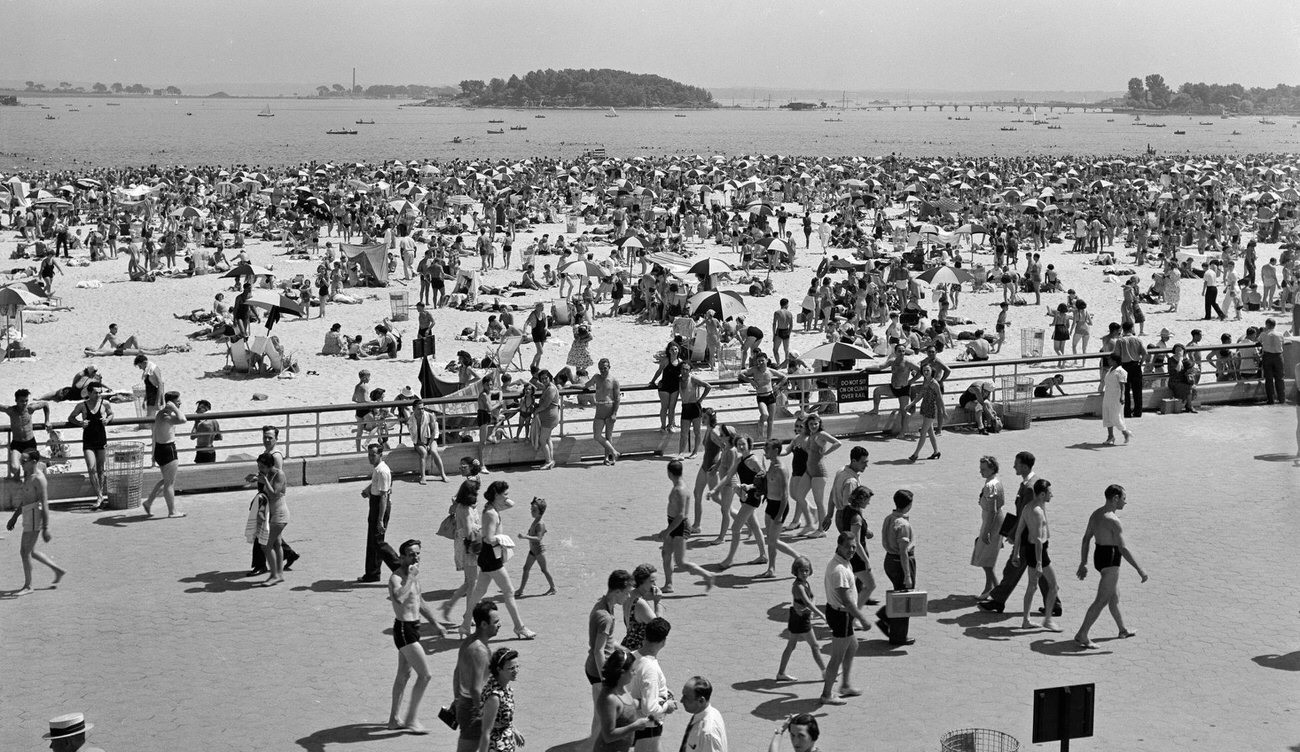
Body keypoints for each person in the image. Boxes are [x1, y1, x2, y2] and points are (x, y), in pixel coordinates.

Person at [978, 451, 1062, 617]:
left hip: (1029, 537)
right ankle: (1053, 605)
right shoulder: (1030, 482)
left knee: (1013, 568)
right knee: (1041, 570)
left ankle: (998, 600)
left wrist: (1013, 534)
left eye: (1016, 464)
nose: (1014, 466)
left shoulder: (1030, 487)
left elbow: (1026, 515)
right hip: (1033, 536)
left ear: (1024, 466)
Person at [1074, 485, 1149, 648]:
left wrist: (1083, 562)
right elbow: (1123, 548)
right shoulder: (1114, 520)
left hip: (1099, 557)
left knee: (1113, 597)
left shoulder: (1096, 514)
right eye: (1124, 498)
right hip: (1111, 560)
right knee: (1101, 600)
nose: (1125, 502)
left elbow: (1086, 539)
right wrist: (1140, 569)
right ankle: (1082, 634)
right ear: (1115, 498)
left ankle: (1122, 629)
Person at [462, 480, 537, 639]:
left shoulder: (493, 507)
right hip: (491, 557)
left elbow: (511, 504)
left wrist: (503, 497)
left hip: (488, 557)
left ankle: (465, 624)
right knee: (508, 591)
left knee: (478, 593)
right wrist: (503, 539)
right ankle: (519, 627)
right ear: (496, 495)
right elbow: (488, 538)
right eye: (505, 494)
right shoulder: (490, 513)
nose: (507, 497)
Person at [388, 538, 445, 734]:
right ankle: (411, 719)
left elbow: (419, 602)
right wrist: (411, 577)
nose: (416, 557)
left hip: (413, 628)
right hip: (404, 630)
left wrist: (435, 623)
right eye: (412, 554)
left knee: (404, 675)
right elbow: (400, 597)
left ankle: (394, 719)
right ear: (401, 557)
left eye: (418, 553)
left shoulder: (413, 575)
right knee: (426, 675)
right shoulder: (396, 577)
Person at [817, 531, 873, 705]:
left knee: (853, 645)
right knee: (837, 657)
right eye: (848, 547)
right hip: (841, 615)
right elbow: (846, 600)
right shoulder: (839, 570)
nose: (852, 550)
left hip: (840, 613)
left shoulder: (842, 562)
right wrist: (862, 619)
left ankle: (845, 685)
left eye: (854, 547)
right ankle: (826, 694)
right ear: (839, 546)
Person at [5, 449, 66, 595]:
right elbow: (25, 499)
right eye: (21, 461)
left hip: (34, 515)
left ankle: (28, 586)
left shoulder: (39, 479)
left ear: (33, 462)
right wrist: (14, 517)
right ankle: (57, 570)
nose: (21, 463)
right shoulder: (28, 475)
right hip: (27, 513)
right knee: (30, 551)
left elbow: (45, 503)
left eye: (23, 461)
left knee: (24, 552)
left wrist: (46, 527)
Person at [587, 570, 636, 732]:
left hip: (598, 667)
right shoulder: (606, 617)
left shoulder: (604, 604)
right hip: (599, 671)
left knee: (602, 715)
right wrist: (606, 681)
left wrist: (624, 650)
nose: (628, 597)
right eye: (627, 593)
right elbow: (598, 651)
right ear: (617, 591)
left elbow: (607, 641)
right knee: (602, 717)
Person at [1011, 479, 1062, 632]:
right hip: (1038, 552)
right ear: (1041, 494)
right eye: (1049, 493)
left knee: (1032, 587)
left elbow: (1019, 532)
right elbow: (1039, 539)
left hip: (1031, 551)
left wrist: (1016, 554)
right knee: (1053, 586)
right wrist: (1040, 563)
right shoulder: (1037, 512)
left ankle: (1026, 620)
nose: (1052, 495)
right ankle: (1048, 620)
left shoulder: (1029, 507)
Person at [449, 600, 499, 752]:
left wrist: (457, 699)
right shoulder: (479, 651)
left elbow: (457, 674)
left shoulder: (469, 642)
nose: (499, 624)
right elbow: (475, 690)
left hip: (467, 705)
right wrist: (486, 715)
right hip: (473, 708)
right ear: (484, 624)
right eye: (495, 622)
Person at [594, 648, 665, 752]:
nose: (635, 673)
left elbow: (628, 706)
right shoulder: (609, 699)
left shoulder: (621, 688)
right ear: (622, 673)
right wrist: (635, 726)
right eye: (632, 670)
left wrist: (655, 699)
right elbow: (608, 736)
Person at [660, 460, 715, 592]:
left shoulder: (680, 490)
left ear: (669, 473)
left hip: (679, 526)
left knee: (681, 562)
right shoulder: (678, 486)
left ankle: (707, 575)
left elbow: (680, 515)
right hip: (674, 524)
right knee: (666, 553)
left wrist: (667, 531)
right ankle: (669, 584)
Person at [873, 489, 918, 647]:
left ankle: (886, 616)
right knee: (904, 598)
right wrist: (907, 575)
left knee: (899, 594)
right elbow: (904, 552)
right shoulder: (903, 524)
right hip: (900, 562)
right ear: (909, 505)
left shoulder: (889, 518)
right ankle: (898, 635)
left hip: (889, 560)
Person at [629, 617, 678, 752]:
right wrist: (667, 706)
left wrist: (663, 690)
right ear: (663, 642)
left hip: (634, 721)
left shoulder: (632, 656)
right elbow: (649, 708)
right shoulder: (650, 668)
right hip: (648, 726)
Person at [776, 555, 827, 682]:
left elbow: (812, 597)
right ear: (796, 571)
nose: (804, 573)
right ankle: (825, 672)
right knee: (814, 646)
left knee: (791, 645)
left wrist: (811, 607)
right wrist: (821, 614)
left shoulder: (805, 583)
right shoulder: (798, 586)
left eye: (806, 570)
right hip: (800, 619)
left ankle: (781, 673)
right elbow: (808, 602)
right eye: (801, 571)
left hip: (797, 616)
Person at [756, 440, 801, 580]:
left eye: (767, 448)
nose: (765, 451)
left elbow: (785, 494)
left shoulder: (781, 468)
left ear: (776, 450)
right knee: (770, 540)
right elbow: (770, 485)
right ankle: (771, 568)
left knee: (773, 540)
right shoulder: (771, 465)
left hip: (780, 507)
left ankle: (799, 558)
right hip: (770, 504)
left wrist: (780, 515)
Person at [67, 383, 113, 509]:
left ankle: (100, 494)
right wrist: (80, 423)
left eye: (100, 392)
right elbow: (71, 417)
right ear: (89, 393)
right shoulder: (82, 405)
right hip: (88, 440)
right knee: (91, 468)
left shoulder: (105, 404)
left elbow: (111, 414)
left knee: (101, 469)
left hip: (101, 439)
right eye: (96, 392)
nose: (98, 395)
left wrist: (107, 420)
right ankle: (99, 496)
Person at [142, 391, 186, 518]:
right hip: (168, 449)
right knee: (169, 483)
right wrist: (174, 408)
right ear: (171, 402)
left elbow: (154, 434)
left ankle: (149, 502)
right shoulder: (167, 415)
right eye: (178, 401)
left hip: (160, 449)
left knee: (166, 480)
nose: (180, 403)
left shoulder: (160, 414)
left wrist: (153, 454)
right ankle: (172, 511)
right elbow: (183, 419)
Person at [358, 443, 396, 583]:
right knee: (372, 542)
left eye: (373, 455)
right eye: (369, 454)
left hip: (380, 506)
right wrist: (368, 489)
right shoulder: (378, 470)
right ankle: (372, 573)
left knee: (377, 542)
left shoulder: (383, 471)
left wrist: (380, 519)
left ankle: (399, 566)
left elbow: (384, 496)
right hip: (375, 503)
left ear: (380, 455)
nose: (370, 457)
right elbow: (377, 485)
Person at [971, 456, 1006, 599]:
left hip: (991, 523)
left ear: (992, 468)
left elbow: (992, 511)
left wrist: (986, 532)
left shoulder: (990, 485)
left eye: (984, 469)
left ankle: (995, 589)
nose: (981, 472)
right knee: (986, 557)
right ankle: (991, 587)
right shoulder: (996, 481)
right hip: (994, 521)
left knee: (985, 557)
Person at [477, 647, 523, 752]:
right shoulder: (494, 697)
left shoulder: (505, 686)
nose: (516, 671)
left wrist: (514, 730)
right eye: (511, 668)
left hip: (507, 743)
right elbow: (486, 731)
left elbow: (501, 717)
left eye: (517, 666)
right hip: (497, 747)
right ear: (499, 669)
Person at [3, 389, 51, 488]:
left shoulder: (30, 409)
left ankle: (26, 496)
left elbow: (45, 404)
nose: (24, 403)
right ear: (16, 400)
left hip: (30, 444)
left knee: (28, 475)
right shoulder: (11, 410)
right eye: (21, 401)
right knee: (15, 468)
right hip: (17, 444)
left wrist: (47, 420)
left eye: (26, 400)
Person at [737, 351, 787, 439]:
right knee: (765, 415)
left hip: (771, 396)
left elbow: (784, 377)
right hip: (761, 397)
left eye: (762, 361)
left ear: (767, 360)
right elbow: (740, 373)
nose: (760, 363)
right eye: (758, 361)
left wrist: (778, 386)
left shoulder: (770, 371)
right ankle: (760, 423)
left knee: (770, 420)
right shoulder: (754, 370)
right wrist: (750, 380)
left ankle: (768, 439)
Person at [513, 496, 556, 597]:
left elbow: (538, 538)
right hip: (533, 550)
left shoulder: (540, 523)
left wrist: (525, 536)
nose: (531, 511)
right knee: (526, 568)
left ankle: (553, 587)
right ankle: (521, 590)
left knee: (544, 570)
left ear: (540, 511)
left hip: (539, 551)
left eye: (534, 510)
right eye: (531, 509)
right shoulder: (536, 521)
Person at [586, 358, 622, 464]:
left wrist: (614, 413)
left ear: (609, 367)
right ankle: (614, 452)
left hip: (609, 407)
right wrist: (572, 386)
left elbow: (617, 398)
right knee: (597, 435)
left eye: (605, 368)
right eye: (601, 368)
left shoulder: (614, 380)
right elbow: (586, 385)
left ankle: (608, 458)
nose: (603, 370)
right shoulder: (596, 377)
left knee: (608, 435)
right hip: (599, 408)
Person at [679, 676, 728, 752]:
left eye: (686, 697)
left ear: (701, 701)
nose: (681, 700)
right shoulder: (710, 712)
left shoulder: (708, 733)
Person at [406, 392, 447, 483]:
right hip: (419, 441)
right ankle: (423, 476)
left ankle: (443, 474)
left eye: (423, 408)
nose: (421, 411)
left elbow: (434, 432)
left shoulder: (429, 416)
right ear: (414, 409)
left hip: (430, 439)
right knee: (423, 453)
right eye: (419, 409)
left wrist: (428, 444)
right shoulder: (410, 420)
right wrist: (422, 444)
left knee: (433, 451)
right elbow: (413, 436)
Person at [677, 362, 713, 458]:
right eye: (683, 369)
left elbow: (708, 386)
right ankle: (681, 453)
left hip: (695, 406)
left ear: (690, 370)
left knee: (697, 431)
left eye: (687, 369)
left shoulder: (693, 379)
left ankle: (695, 452)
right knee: (683, 433)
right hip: (685, 407)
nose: (684, 371)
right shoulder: (679, 380)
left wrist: (700, 399)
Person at [908, 364, 943, 462]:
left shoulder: (934, 383)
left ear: (932, 371)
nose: (926, 372)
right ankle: (936, 452)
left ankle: (915, 454)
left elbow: (940, 398)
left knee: (923, 432)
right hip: (925, 407)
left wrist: (943, 411)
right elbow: (920, 395)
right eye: (924, 371)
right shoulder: (926, 381)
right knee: (930, 431)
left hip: (931, 409)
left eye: (927, 370)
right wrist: (911, 404)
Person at [1114, 322, 1147, 418]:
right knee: (1137, 390)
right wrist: (1141, 363)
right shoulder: (1137, 339)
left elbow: (1117, 355)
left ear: (1123, 329)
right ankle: (1138, 412)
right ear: (1132, 328)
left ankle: (1127, 412)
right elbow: (1145, 353)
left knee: (1125, 390)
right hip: (1136, 366)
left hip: (1124, 366)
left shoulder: (1120, 341)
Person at [648, 342, 684, 433]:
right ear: (669, 351)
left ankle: (670, 425)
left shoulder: (680, 362)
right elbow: (659, 371)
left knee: (672, 407)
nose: (674, 351)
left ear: (678, 350)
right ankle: (663, 426)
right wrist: (653, 381)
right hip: (664, 386)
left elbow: (683, 375)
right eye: (672, 349)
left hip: (675, 387)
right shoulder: (666, 360)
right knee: (664, 407)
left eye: (675, 349)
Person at [1100, 355, 1132, 445]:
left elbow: (1122, 386)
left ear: (1115, 361)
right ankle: (1110, 436)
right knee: (1107, 414)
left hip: (1116, 396)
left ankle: (1125, 432)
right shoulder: (1110, 370)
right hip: (1108, 395)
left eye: (1110, 359)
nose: (1109, 361)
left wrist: (1122, 396)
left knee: (1115, 416)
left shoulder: (1121, 371)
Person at [1258, 318, 1287, 405]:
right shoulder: (1280, 334)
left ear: (1267, 325)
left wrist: (1263, 331)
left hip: (1267, 357)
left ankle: (1271, 400)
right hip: (1278, 357)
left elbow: (1258, 341)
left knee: (1269, 379)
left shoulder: (1263, 334)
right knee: (1280, 379)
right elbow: (1283, 342)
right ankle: (1282, 399)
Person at [1167, 344, 1199, 413]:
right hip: (1174, 382)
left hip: (1183, 381)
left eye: (1180, 350)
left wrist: (1192, 370)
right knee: (1188, 388)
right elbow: (1176, 371)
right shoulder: (1171, 360)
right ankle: (1190, 406)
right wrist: (1179, 361)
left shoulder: (1185, 359)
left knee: (1193, 388)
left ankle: (1188, 405)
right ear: (1174, 351)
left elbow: (1194, 367)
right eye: (1177, 350)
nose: (1179, 352)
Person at [189, 399, 221, 465]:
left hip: (202, 452)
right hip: (211, 451)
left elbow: (192, 437)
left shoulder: (201, 423)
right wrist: (208, 437)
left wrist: (196, 422)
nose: (196, 411)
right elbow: (219, 437)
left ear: (205, 409)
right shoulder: (214, 421)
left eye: (199, 408)